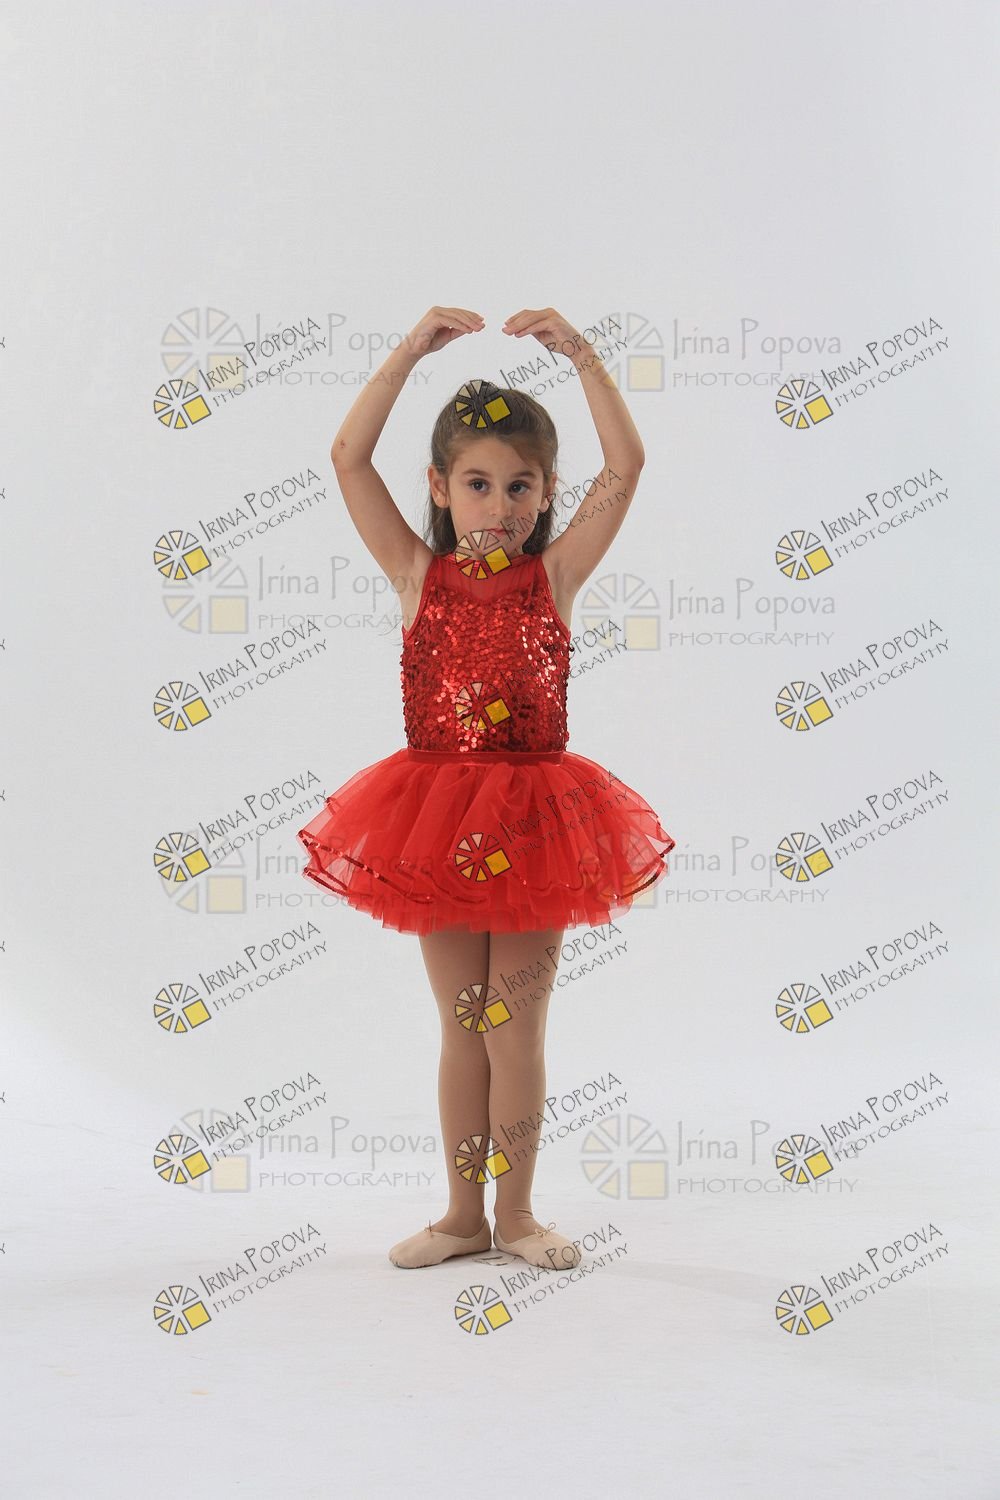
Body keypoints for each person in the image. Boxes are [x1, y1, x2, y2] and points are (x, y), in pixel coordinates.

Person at [297, 306, 676, 1272]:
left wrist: (582, 355)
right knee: (463, 1027)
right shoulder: (416, 575)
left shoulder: (555, 577)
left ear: (546, 494)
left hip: (539, 824)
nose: (498, 505)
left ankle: (519, 1215)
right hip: (431, 824)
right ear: (439, 486)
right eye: (476, 484)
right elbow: (346, 457)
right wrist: (406, 350)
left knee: (516, 1030)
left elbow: (628, 465)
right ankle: (463, 1216)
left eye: (520, 486)